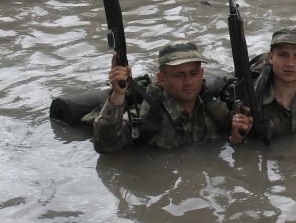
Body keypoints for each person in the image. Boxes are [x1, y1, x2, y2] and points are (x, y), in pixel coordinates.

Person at [92, 42, 232, 153]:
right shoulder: (148, 117)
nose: (188, 82)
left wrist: (237, 137)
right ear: (162, 79)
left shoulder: (214, 109)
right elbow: (105, 146)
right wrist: (118, 94)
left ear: (202, 74)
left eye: (193, 73)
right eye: (179, 75)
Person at [230, 28, 296, 143]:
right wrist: (236, 138)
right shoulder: (252, 99)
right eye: (283, 55)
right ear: (271, 57)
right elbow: (239, 150)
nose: (290, 63)